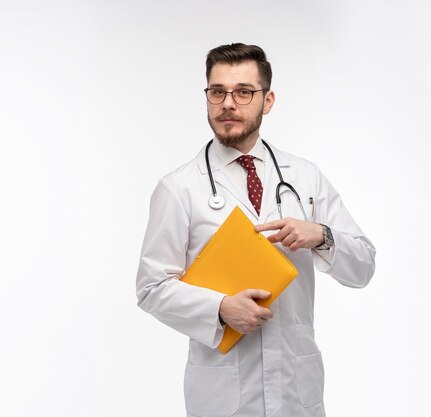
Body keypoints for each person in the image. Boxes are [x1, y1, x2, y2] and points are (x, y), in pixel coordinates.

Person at [136, 43, 376, 417]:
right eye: (217, 92)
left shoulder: (305, 177)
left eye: (243, 92)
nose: (228, 103)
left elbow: (363, 267)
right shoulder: (179, 188)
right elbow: (151, 289)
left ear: (268, 100)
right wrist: (219, 308)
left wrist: (322, 235)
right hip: (222, 392)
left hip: (297, 388)